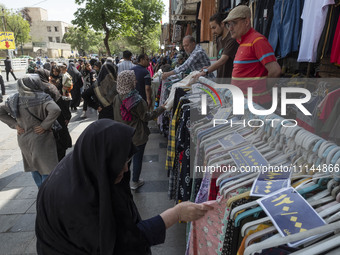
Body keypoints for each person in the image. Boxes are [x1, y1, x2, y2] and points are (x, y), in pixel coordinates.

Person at [35, 119, 213, 254]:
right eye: (120, 163)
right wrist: (176, 214)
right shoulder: (74, 201)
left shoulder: (86, 165)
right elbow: (120, 245)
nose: (126, 169)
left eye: (127, 161)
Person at [0, 75, 60, 188]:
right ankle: (46, 195)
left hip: (24, 138)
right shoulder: (42, 97)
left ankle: (41, 192)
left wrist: (15, 125)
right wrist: (44, 125)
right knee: (47, 168)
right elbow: (55, 110)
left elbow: (0, 111)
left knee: (34, 167)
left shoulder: (14, 99)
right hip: (41, 138)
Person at [113, 70, 166, 189]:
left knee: (126, 160)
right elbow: (146, 117)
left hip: (122, 134)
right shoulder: (136, 100)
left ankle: (124, 182)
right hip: (137, 135)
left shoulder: (117, 97)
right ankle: (135, 181)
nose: (136, 81)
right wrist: (161, 108)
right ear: (129, 82)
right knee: (137, 159)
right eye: (133, 79)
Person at [224, 5, 281, 107]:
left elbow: (275, 70)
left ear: (246, 22)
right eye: (228, 24)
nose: (230, 28)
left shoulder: (257, 41)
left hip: (256, 104)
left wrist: (261, 89)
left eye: (234, 23)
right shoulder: (242, 42)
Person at [36, 69, 72, 161]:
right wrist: (67, 117)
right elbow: (60, 104)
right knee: (60, 147)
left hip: (40, 123)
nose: (50, 77)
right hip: (56, 121)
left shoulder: (34, 88)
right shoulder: (50, 87)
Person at [195, 13, 239, 80]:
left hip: (229, 81)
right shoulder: (218, 40)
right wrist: (209, 67)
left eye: (214, 28)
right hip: (220, 80)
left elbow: (223, 60)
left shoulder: (231, 39)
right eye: (211, 28)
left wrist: (206, 71)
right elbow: (219, 60)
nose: (213, 32)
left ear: (222, 24)